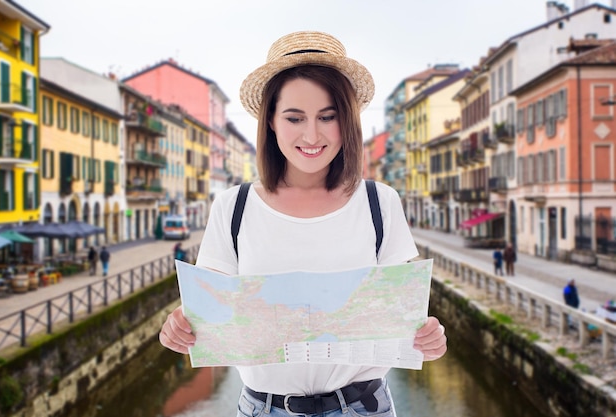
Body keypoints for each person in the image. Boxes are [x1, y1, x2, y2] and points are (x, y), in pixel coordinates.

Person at [158, 31, 447, 417]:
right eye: (295, 118)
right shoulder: (233, 207)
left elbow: (404, 315)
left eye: (328, 117)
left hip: (364, 408)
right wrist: (179, 326)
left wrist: (430, 336)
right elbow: (207, 313)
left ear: (347, 121)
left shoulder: (380, 202)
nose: (312, 135)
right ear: (272, 123)